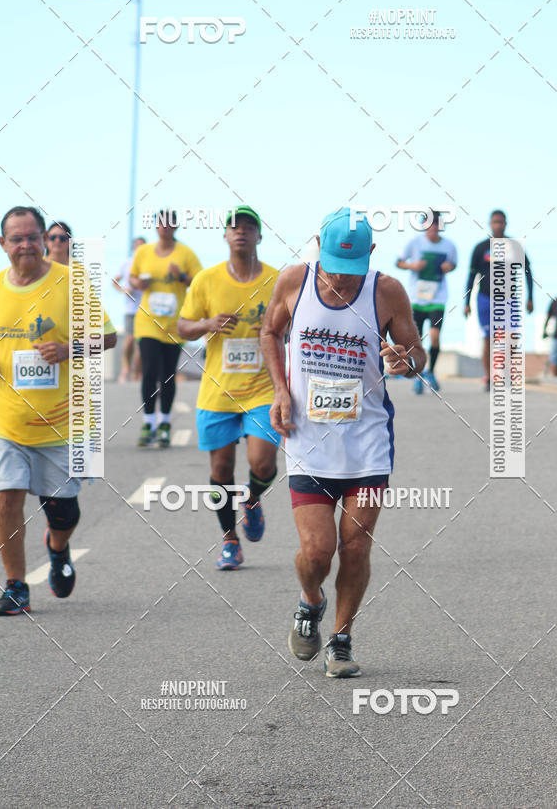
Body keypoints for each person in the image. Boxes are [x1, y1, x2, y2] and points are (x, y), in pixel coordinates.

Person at [261, 207, 426, 677]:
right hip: (308, 439)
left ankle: (341, 637)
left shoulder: (387, 291)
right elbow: (270, 332)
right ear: (317, 246)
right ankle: (310, 600)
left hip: (368, 441)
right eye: (334, 266)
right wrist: (279, 389)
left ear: (372, 254)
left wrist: (405, 359)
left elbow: (417, 355)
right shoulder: (294, 280)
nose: (341, 279)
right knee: (318, 551)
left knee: (355, 547)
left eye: (352, 271)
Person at [0, 206, 117, 615]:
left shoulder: (72, 282)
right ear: (3, 244)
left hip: (62, 424)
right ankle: (15, 586)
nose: (26, 244)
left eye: (33, 236)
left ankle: (58, 547)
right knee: (4, 500)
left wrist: (69, 349)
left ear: (44, 241)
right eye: (17, 238)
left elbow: (110, 338)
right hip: (7, 423)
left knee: (62, 511)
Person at [178, 206, 280, 570]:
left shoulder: (276, 279)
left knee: (263, 462)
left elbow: (294, 327)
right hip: (218, 390)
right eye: (234, 226)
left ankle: (251, 499)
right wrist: (207, 323)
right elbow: (182, 327)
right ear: (224, 235)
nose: (241, 231)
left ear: (259, 236)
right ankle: (229, 540)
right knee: (221, 470)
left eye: (249, 226)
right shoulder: (205, 280)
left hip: (263, 388)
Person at [129, 211, 201, 447]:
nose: (165, 227)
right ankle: (149, 421)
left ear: (176, 227)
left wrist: (181, 276)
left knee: (167, 374)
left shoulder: (186, 253)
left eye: (170, 223)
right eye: (161, 223)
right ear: (155, 226)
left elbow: (199, 282)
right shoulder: (143, 252)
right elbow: (131, 278)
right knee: (149, 371)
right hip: (148, 322)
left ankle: (165, 423)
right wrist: (138, 283)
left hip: (174, 324)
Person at [464, 209, 533, 390]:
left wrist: (531, 298)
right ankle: (489, 377)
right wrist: (466, 303)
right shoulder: (481, 248)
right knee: (489, 339)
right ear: (490, 224)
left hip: (509, 299)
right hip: (485, 299)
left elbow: (527, 271)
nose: (498, 225)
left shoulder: (514, 246)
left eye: (501, 222)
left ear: (505, 224)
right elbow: (471, 276)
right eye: (495, 222)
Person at [396, 210, 457, 393]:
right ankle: (418, 374)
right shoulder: (414, 244)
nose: (433, 228)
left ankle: (431, 371)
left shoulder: (449, 246)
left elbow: (454, 264)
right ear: (424, 225)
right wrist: (412, 265)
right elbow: (398, 262)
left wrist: (449, 267)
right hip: (416, 299)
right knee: (416, 340)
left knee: (435, 336)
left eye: (436, 224)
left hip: (437, 299)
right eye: (429, 224)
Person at [113, 236, 146, 382]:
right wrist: (123, 290)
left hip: (146, 309)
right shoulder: (127, 264)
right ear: (134, 248)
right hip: (130, 309)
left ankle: (137, 373)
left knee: (141, 343)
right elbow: (114, 281)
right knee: (129, 340)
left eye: (142, 246)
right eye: (137, 246)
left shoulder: (149, 264)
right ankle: (126, 369)